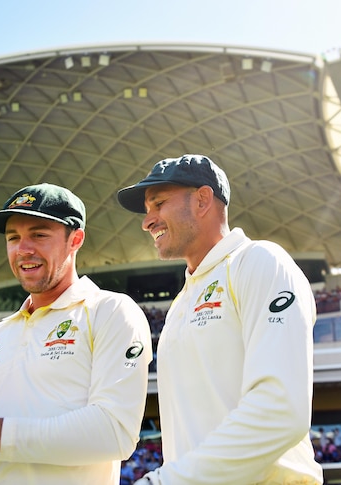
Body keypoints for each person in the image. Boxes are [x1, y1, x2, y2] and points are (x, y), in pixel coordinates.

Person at [0, 183, 153, 484]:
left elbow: (114, 432)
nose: (23, 249)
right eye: (13, 238)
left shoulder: (111, 311)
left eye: (39, 235)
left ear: (75, 239)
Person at [116, 154, 323, 484]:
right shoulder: (184, 300)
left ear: (202, 200)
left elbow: (280, 409)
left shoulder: (258, 261)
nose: (147, 221)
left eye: (158, 204)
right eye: (147, 209)